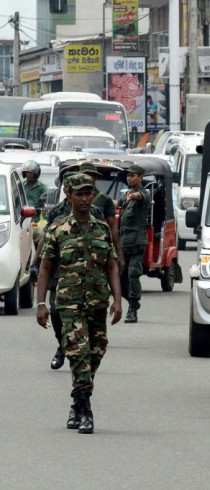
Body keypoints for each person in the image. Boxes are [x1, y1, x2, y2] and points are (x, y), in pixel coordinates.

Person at [35, 173, 122, 434]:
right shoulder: (58, 228)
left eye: (89, 193)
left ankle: (76, 402)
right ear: (69, 196)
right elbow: (46, 267)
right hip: (69, 304)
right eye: (80, 194)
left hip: (97, 302)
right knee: (79, 355)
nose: (85, 198)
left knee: (97, 352)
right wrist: (41, 303)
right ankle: (86, 411)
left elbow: (111, 265)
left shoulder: (101, 228)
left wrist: (117, 300)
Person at [119, 164, 151, 323]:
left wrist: (134, 196)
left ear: (140, 177)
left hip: (137, 241)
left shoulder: (143, 193)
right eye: (128, 175)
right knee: (119, 278)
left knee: (133, 275)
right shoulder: (126, 195)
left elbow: (142, 197)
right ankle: (134, 301)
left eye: (133, 175)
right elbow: (115, 204)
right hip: (123, 242)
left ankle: (132, 309)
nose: (129, 178)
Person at [21, 160, 48, 243]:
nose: (28, 174)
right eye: (27, 172)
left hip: (37, 220)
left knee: (42, 235)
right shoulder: (21, 186)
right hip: (22, 220)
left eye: (30, 172)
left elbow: (47, 204)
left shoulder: (43, 187)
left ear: (36, 174)